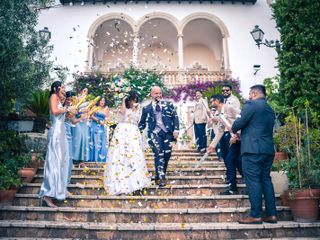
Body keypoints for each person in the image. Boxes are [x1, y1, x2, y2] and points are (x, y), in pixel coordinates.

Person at [230, 84, 277, 224]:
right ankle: (271, 214)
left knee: (253, 180)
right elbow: (258, 126)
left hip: (252, 150)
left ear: (254, 94)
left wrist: (236, 129)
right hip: (268, 149)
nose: (249, 97)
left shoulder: (251, 105)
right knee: (266, 180)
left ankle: (256, 214)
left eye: (250, 94)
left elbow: (237, 124)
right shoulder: (270, 109)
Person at [104, 91, 151, 195]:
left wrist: (135, 108)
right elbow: (123, 112)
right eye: (131, 100)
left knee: (135, 155)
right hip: (123, 132)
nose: (133, 102)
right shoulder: (124, 108)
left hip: (133, 132)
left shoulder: (139, 109)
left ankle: (136, 182)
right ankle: (121, 182)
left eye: (134, 100)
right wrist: (123, 98)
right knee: (121, 155)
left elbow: (138, 119)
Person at [39, 81, 77, 207]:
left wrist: (71, 113)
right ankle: (47, 195)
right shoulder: (53, 96)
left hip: (62, 132)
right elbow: (55, 111)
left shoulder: (61, 100)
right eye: (62, 87)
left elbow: (63, 117)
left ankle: (60, 190)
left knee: (62, 162)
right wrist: (67, 109)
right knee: (54, 162)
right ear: (56, 88)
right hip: (56, 132)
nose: (64, 89)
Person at [139, 86, 179, 187]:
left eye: (160, 93)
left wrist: (176, 129)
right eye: (156, 93)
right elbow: (142, 123)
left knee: (167, 155)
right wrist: (135, 131)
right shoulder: (146, 108)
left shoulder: (169, 105)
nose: (159, 95)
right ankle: (160, 177)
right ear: (152, 94)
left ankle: (161, 173)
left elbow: (175, 117)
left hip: (167, 133)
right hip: (154, 134)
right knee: (159, 153)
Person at [207, 94, 242, 195]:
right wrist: (212, 146)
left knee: (231, 160)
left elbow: (241, 119)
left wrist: (236, 135)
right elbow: (220, 131)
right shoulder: (219, 113)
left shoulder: (229, 107)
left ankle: (235, 187)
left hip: (237, 139)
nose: (211, 103)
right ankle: (233, 187)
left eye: (212, 101)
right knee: (231, 161)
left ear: (217, 101)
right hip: (227, 137)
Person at [72, 88, 90, 167]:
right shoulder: (77, 99)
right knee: (77, 139)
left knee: (84, 139)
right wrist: (81, 111)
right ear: (81, 91)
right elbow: (74, 109)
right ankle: (74, 159)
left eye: (87, 91)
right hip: (78, 121)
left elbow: (89, 111)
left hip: (84, 122)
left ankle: (81, 160)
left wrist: (87, 115)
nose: (85, 92)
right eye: (84, 90)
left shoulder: (88, 101)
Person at [89, 97, 109, 162]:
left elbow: (107, 118)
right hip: (94, 125)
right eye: (101, 100)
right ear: (98, 101)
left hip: (102, 127)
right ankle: (93, 158)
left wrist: (105, 122)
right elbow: (90, 116)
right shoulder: (94, 107)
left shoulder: (106, 109)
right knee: (94, 140)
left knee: (101, 141)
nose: (102, 102)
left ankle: (99, 158)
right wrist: (98, 120)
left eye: (104, 101)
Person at [64, 91, 76, 184]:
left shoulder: (71, 108)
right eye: (68, 99)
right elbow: (66, 118)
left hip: (69, 133)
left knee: (69, 157)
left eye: (70, 100)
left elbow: (73, 121)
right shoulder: (63, 108)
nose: (69, 101)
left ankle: (67, 181)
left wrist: (82, 117)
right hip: (62, 133)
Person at [193, 90, 209, 155]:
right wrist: (193, 119)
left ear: (201, 94)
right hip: (196, 121)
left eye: (199, 93)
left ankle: (203, 148)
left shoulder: (203, 101)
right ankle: (199, 147)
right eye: (196, 93)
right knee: (197, 134)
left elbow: (206, 109)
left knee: (202, 135)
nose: (197, 95)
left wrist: (203, 117)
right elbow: (195, 112)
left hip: (201, 120)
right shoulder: (196, 102)